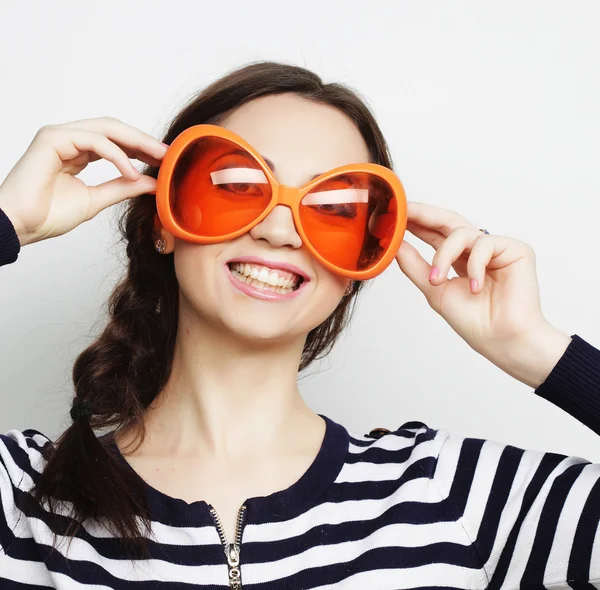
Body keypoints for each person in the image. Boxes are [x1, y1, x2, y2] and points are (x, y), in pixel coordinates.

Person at [0, 61, 598, 589]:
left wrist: (535, 349)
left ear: (363, 261)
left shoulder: (452, 495)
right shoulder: (23, 497)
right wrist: (8, 223)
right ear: (165, 220)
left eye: (335, 210)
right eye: (237, 186)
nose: (281, 231)